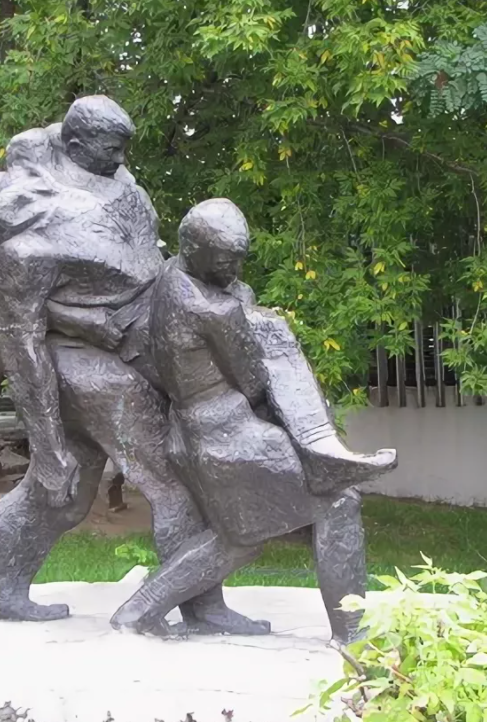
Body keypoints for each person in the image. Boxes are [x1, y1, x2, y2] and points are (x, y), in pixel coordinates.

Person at [0, 97, 265, 635]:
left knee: (67, 498)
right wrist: (46, 445)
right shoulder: (27, 242)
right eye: (111, 148)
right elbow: (21, 344)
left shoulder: (121, 185)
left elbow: (148, 266)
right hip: (82, 365)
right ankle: (197, 606)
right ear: (74, 148)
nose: (122, 157)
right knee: (175, 480)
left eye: (125, 148)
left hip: (135, 340)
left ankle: (3, 595)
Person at [110, 198, 396, 643]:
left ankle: (138, 613)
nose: (236, 270)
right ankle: (353, 633)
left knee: (237, 539)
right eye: (226, 261)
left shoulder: (170, 275)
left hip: (194, 433)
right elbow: (254, 379)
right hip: (229, 435)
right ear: (195, 250)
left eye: (240, 258)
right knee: (338, 505)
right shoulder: (214, 310)